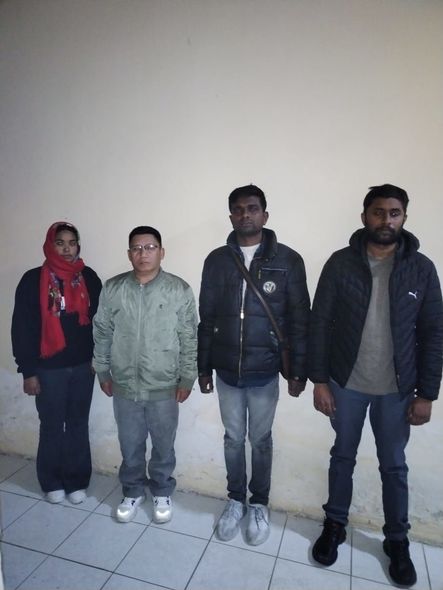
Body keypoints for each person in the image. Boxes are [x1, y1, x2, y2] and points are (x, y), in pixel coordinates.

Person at [308, 184, 443, 587]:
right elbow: (319, 323)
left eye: (394, 213)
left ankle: (397, 540)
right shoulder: (340, 263)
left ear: (404, 217)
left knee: (394, 466)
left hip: (397, 390)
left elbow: (434, 333)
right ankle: (335, 525)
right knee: (342, 457)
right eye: (378, 212)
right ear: (365, 216)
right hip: (345, 383)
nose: (386, 220)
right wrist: (319, 380)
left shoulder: (421, 268)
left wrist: (426, 394)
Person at [198, 184, 310, 545]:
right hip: (227, 370)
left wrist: (299, 371)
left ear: (265, 214)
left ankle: (259, 503)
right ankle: (236, 500)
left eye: (252, 208)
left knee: (260, 440)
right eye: (238, 209)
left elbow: (300, 320)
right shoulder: (217, 260)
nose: (245, 214)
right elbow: (206, 318)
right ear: (231, 215)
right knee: (233, 439)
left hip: (265, 371)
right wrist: (203, 367)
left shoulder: (288, 261)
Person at [93, 226, 197, 524]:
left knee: (164, 444)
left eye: (150, 247)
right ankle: (132, 490)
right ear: (129, 254)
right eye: (137, 248)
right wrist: (102, 370)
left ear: (161, 252)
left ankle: (162, 490)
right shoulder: (113, 288)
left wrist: (187, 377)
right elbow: (102, 332)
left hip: (164, 385)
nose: (143, 254)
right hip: (124, 384)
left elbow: (189, 336)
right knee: (130, 444)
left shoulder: (178, 289)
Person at [11, 222, 102, 504]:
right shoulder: (33, 280)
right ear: (50, 245)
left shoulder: (88, 277)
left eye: (72, 243)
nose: (66, 249)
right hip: (48, 369)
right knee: (51, 425)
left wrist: (99, 358)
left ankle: (77, 481)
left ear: (78, 246)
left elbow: (101, 322)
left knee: (78, 424)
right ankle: (51, 481)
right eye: (60, 243)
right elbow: (22, 328)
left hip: (83, 367)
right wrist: (28, 371)